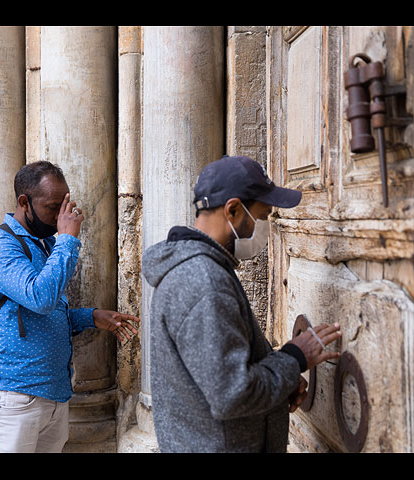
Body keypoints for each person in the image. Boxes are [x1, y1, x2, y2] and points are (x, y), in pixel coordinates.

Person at [143, 155, 341, 453]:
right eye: (261, 217)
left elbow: (216, 376)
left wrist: (282, 381)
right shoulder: (203, 281)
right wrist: (294, 358)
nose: (260, 227)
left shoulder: (201, 270)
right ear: (233, 209)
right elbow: (231, 394)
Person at [0, 160, 140, 453]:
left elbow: (44, 315)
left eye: (65, 206)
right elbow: (41, 297)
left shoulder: (44, 246)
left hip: (52, 397)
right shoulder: (0, 246)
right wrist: (68, 240)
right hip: (11, 398)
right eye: (52, 207)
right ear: (24, 202)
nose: (61, 216)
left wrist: (92, 317)